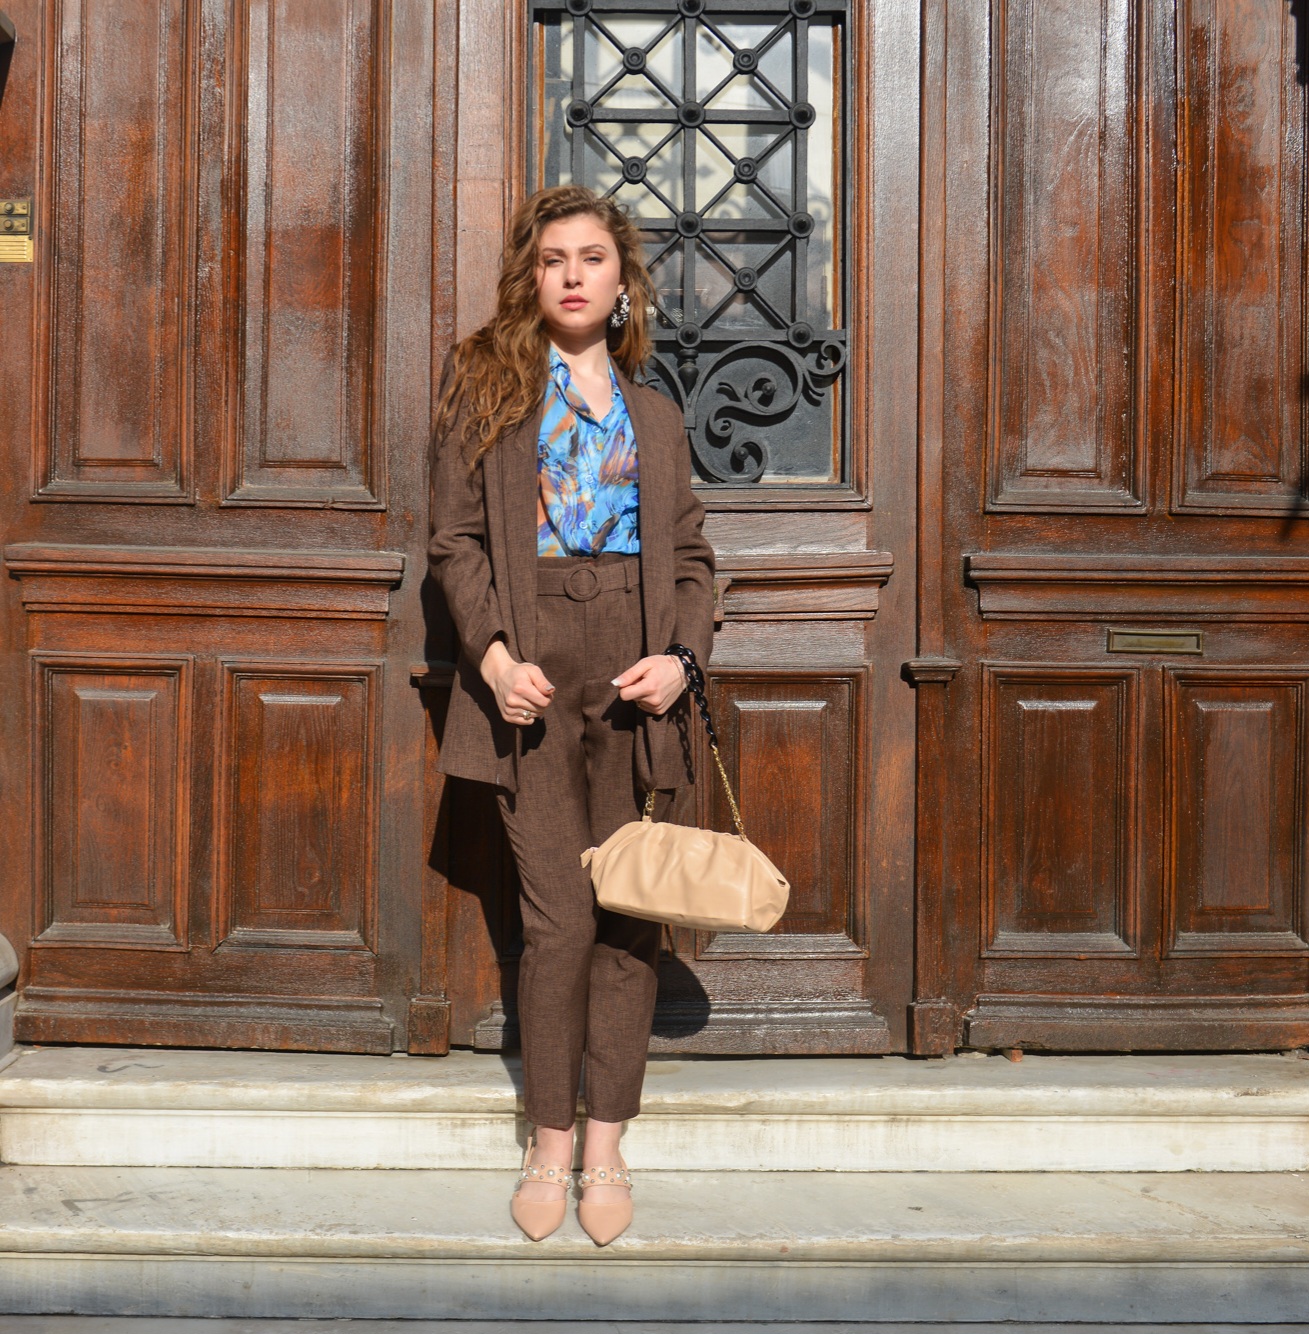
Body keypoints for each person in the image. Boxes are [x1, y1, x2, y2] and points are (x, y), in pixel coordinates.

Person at [428, 185, 715, 1245]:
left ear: (622, 279)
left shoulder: (656, 415)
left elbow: (691, 558)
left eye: (593, 257)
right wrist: (495, 656)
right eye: (554, 258)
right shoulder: (487, 387)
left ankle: (607, 1143)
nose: (574, 275)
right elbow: (454, 542)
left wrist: (681, 660)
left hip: (633, 672)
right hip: (533, 672)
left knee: (630, 913)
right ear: (532, 277)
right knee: (558, 919)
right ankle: (549, 1136)